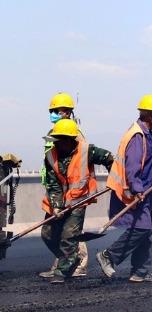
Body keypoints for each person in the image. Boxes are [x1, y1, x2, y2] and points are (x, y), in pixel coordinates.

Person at [96, 94, 152, 282]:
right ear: (150, 115)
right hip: (138, 192)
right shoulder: (137, 136)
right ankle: (108, 256)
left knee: (147, 230)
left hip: (147, 192)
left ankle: (140, 272)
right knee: (141, 229)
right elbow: (132, 167)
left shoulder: (146, 136)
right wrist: (137, 189)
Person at [40, 119, 114, 284]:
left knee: (69, 237)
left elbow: (109, 158)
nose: (57, 144)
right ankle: (69, 258)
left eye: (60, 140)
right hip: (58, 202)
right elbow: (53, 185)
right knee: (47, 234)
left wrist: (115, 179)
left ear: (69, 140)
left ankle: (63, 270)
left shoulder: (87, 151)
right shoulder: (50, 157)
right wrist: (57, 206)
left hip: (78, 201)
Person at [39, 92, 90, 279]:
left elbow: (80, 163)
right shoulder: (53, 133)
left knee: (72, 233)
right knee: (52, 232)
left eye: (57, 110)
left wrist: (74, 192)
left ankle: (79, 265)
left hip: (72, 191)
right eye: (51, 110)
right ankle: (63, 263)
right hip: (56, 190)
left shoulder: (74, 134)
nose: (53, 113)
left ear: (67, 112)